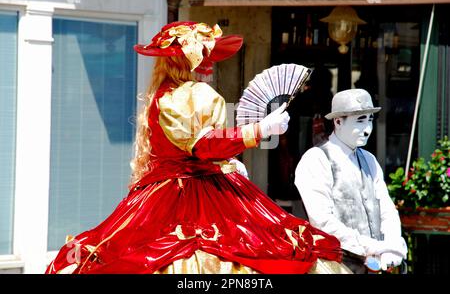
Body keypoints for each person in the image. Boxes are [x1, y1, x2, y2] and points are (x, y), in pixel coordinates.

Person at [45, 21, 350, 274]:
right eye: (204, 54)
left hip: (167, 192)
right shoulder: (189, 95)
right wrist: (259, 130)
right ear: (186, 59)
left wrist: (235, 155)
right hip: (190, 194)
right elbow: (204, 147)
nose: (209, 63)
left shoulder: (165, 95)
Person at [294, 88, 408, 274]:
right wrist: (372, 246)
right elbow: (322, 221)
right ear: (338, 121)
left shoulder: (369, 159)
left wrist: (392, 244)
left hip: (376, 266)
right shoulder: (316, 159)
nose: (367, 129)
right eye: (360, 121)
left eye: (370, 120)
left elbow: (386, 208)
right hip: (334, 266)